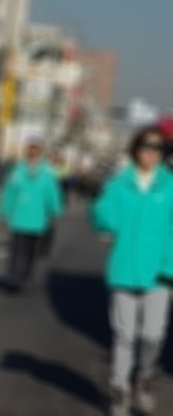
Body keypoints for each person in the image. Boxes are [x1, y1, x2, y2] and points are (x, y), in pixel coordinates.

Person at [93, 126, 173, 416]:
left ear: (163, 153)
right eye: (145, 146)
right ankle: (119, 391)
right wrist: (104, 216)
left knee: (154, 335)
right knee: (124, 336)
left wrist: (169, 267)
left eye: (157, 148)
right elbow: (102, 217)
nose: (150, 153)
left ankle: (145, 376)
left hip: (160, 276)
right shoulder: (118, 184)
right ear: (135, 149)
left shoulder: (170, 186)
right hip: (123, 270)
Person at [0, 138, 64, 292]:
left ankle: (26, 278)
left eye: (36, 150)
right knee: (16, 250)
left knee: (32, 253)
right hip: (19, 219)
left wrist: (54, 210)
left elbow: (52, 193)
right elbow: (10, 193)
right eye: (30, 149)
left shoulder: (47, 173)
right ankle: (13, 278)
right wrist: (4, 212)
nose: (33, 153)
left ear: (40, 152)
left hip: (38, 220)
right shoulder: (18, 171)